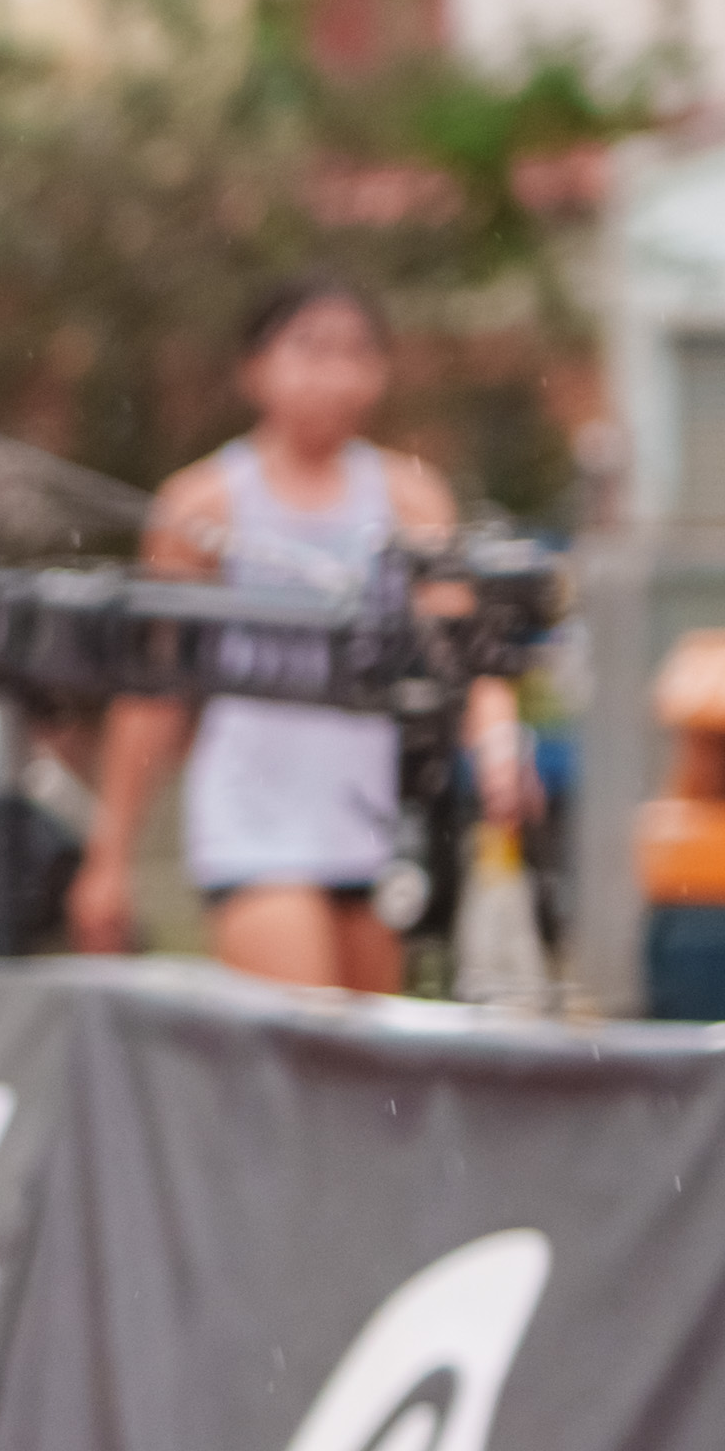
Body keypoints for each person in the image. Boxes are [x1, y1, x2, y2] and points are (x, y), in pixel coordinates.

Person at [69, 274, 529, 994]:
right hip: (252, 817)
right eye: (310, 350)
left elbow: (464, 658)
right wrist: (109, 858)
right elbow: (154, 692)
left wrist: (499, 743)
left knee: (368, 1050)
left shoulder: (412, 498)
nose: (334, 375)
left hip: (371, 815)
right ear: (255, 368)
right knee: (303, 1027)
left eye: (355, 353)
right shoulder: (202, 505)